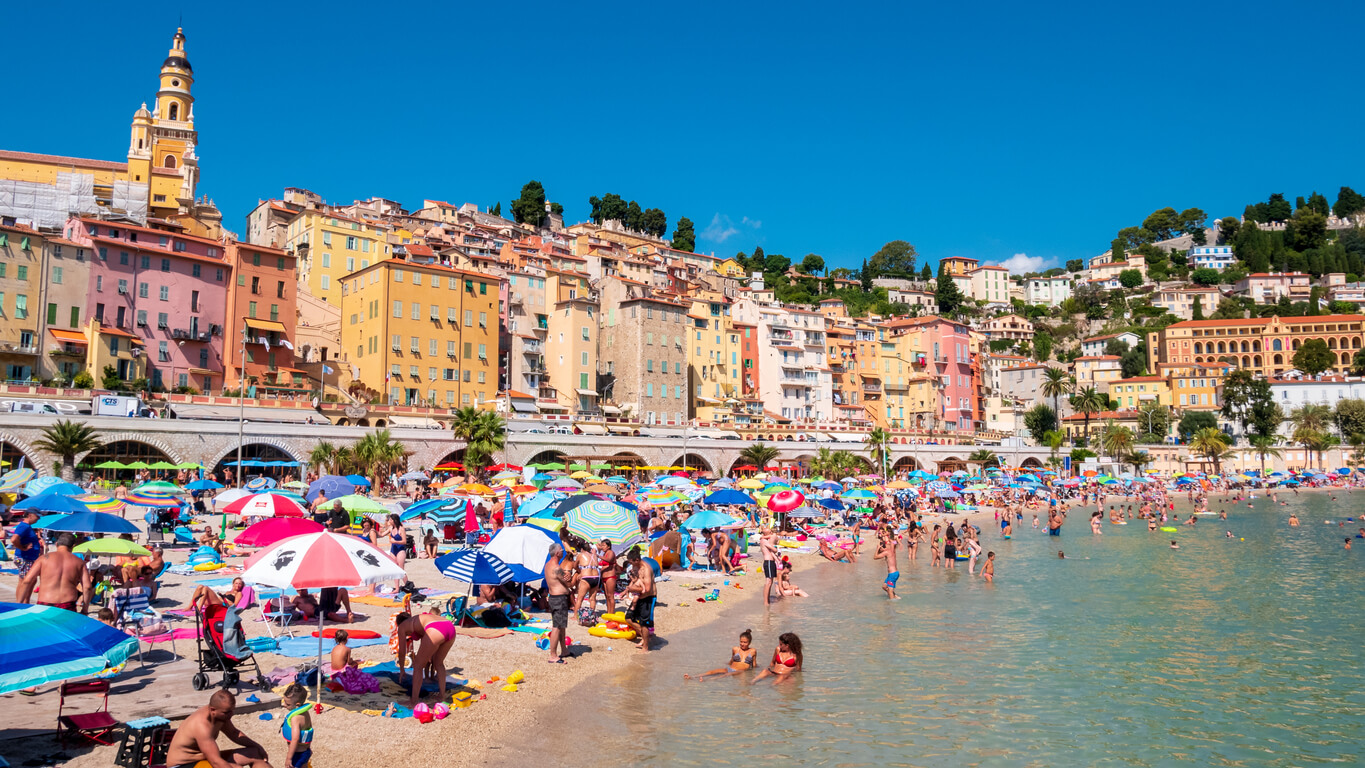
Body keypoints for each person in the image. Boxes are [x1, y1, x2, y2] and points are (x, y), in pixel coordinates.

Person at [164, 689, 273, 768]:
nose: (231, 714)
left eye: (232, 710)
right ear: (212, 710)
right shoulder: (201, 725)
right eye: (227, 712)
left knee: (255, 753)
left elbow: (234, 733)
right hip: (183, 765)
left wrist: (258, 746)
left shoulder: (221, 716)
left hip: (202, 759)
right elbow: (216, 762)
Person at [394, 610, 458, 708]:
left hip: (435, 629)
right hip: (450, 627)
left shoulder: (402, 626)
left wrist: (402, 669)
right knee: (438, 663)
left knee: (417, 665)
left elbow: (402, 651)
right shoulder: (418, 619)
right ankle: (442, 696)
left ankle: (414, 701)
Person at [16, 533, 90, 612]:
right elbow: (87, 587)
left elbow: (27, 581)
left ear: (56, 544)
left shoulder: (43, 558)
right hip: (68, 604)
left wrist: (19, 604)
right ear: (73, 546)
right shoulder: (79, 562)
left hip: (45, 603)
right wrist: (85, 609)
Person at [620, 548, 657, 653]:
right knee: (628, 618)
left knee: (644, 623)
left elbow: (647, 589)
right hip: (639, 596)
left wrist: (632, 589)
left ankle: (645, 647)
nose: (631, 565)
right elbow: (636, 582)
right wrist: (627, 589)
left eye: (632, 562)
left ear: (637, 560)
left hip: (648, 598)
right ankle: (646, 637)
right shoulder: (636, 567)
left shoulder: (646, 570)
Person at [685, 628, 757, 680]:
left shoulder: (753, 651)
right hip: (730, 668)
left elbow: (754, 665)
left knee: (725, 675)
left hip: (740, 671)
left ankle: (706, 681)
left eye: (745, 642)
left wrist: (753, 674)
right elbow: (732, 660)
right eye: (741, 641)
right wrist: (727, 664)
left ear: (749, 642)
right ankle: (692, 677)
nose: (742, 644)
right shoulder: (735, 649)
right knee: (713, 671)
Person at [544, 543, 572, 663]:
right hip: (558, 599)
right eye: (561, 550)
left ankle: (564, 650)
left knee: (561, 626)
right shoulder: (556, 568)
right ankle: (553, 655)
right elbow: (569, 583)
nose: (563, 551)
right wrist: (573, 576)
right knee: (557, 627)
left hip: (556, 598)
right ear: (557, 553)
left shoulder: (548, 565)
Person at [278, 683, 313, 768]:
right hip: (306, 751)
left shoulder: (295, 718)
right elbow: (307, 731)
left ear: (297, 705)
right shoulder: (305, 713)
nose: (284, 705)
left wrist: (289, 758)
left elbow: (295, 739)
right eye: (284, 702)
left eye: (288, 704)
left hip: (298, 754)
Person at [9, 511, 43, 580]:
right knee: (26, 581)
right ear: (30, 515)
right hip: (25, 558)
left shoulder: (27, 526)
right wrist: (22, 548)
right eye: (37, 516)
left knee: (28, 580)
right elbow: (13, 539)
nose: (38, 518)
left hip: (27, 558)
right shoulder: (24, 526)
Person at [874, 532, 899, 600]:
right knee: (884, 587)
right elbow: (894, 542)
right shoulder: (892, 550)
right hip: (894, 573)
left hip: (892, 574)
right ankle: (895, 596)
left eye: (880, 549)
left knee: (890, 591)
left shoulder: (886, 552)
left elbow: (875, 557)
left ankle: (892, 604)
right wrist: (888, 538)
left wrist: (877, 549)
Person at [759, 526, 779, 605]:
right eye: (770, 532)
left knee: (770, 581)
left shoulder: (764, 540)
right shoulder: (764, 541)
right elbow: (774, 550)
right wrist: (775, 549)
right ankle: (766, 602)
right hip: (768, 562)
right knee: (768, 582)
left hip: (770, 562)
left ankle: (767, 600)